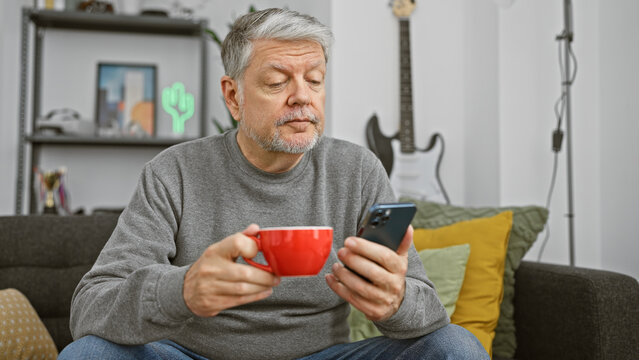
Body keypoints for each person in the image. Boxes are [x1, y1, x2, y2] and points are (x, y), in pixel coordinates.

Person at [59, 8, 488, 360]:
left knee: (457, 348)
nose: (302, 96)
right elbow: (90, 308)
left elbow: (430, 316)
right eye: (277, 81)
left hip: (324, 356)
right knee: (86, 354)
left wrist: (397, 303)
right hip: (193, 357)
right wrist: (183, 290)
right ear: (233, 97)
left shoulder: (358, 170)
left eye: (315, 80)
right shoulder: (173, 173)